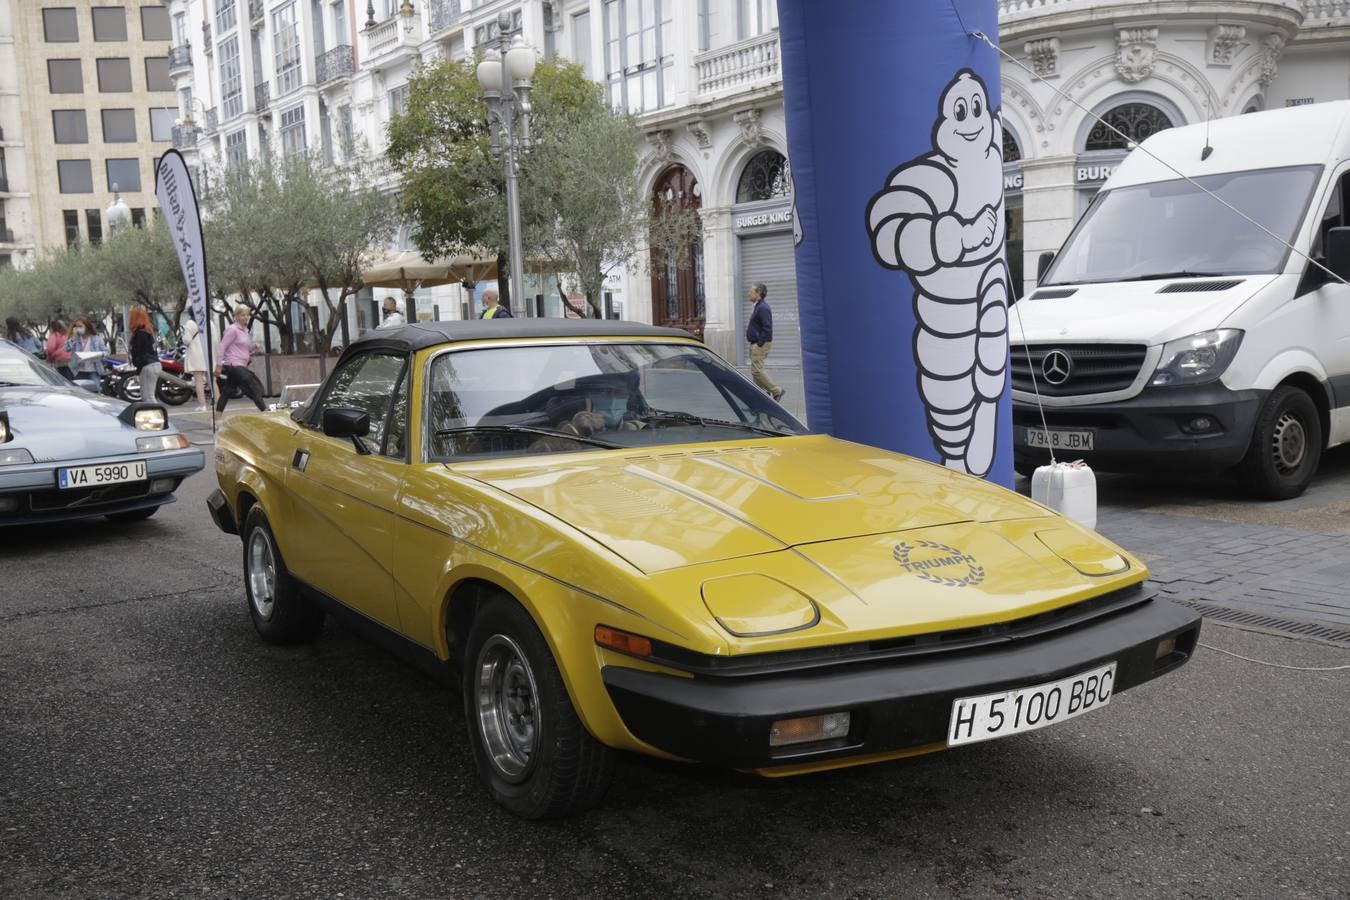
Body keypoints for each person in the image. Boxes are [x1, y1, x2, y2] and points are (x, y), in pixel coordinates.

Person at [214, 306, 267, 414]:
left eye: (247, 315)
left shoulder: (245, 331)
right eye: (243, 315)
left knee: (226, 392)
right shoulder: (232, 329)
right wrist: (218, 365)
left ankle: (217, 418)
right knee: (254, 386)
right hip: (234, 364)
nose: (246, 317)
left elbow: (245, 349)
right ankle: (265, 412)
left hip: (241, 365)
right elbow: (222, 346)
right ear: (236, 316)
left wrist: (254, 347)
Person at [745, 282, 783, 401]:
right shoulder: (758, 306)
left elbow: (767, 327)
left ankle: (777, 390)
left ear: (758, 293)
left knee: (757, 371)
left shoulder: (763, 308)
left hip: (760, 344)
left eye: (751, 291)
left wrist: (759, 343)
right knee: (755, 371)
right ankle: (762, 396)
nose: (749, 294)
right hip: (755, 343)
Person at [65, 317, 108, 393]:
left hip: (94, 370)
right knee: (80, 393)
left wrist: (99, 354)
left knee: (95, 391)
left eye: (80, 326)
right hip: (79, 371)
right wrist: (73, 337)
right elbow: (66, 348)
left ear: (87, 326)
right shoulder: (75, 339)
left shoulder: (96, 339)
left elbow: (106, 352)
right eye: (76, 326)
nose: (78, 328)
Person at [128, 307, 160, 402]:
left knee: (148, 396)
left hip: (147, 366)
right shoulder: (147, 332)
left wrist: (137, 372)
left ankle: (157, 411)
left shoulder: (140, 334)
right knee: (147, 395)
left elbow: (141, 354)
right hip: (153, 364)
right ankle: (154, 410)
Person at [180, 317, 210, 411]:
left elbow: (187, 340)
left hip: (196, 353)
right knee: (211, 379)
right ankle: (218, 402)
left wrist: (183, 335)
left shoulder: (190, 323)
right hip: (206, 352)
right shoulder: (206, 322)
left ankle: (202, 405)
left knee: (198, 380)